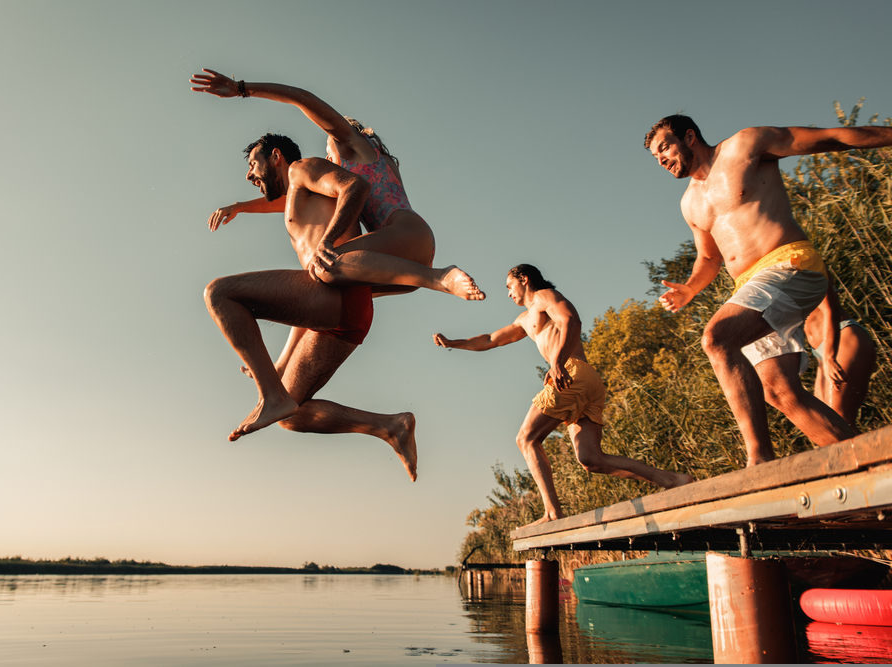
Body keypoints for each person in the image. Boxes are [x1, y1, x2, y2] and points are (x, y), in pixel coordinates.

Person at [646, 114, 892, 466]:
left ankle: (759, 458)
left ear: (689, 137)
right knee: (779, 391)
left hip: (788, 263)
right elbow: (708, 258)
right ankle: (868, 465)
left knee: (717, 338)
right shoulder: (690, 204)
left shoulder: (745, 146)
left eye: (665, 148)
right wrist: (689, 288)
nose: (662, 159)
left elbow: (833, 137)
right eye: (656, 157)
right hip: (752, 287)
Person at [204, 132, 417, 481]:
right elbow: (280, 201)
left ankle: (270, 391)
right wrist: (241, 207)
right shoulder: (300, 193)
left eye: (252, 164)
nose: (248, 175)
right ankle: (390, 426)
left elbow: (356, 186)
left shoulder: (304, 168)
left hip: (340, 294)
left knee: (219, 294)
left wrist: (329, 241)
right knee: (290, 416)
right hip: (346, 315)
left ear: (276, 156)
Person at [190, 68, 484, 300]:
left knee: (324, 264)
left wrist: (243, 89)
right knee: (320, 289)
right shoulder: (382, 162)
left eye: (329, 153)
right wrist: (241, 207)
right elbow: (292, 199)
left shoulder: (350, 145)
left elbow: (303, 98)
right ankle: (281, 366)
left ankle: (441, 278)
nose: (327, 158)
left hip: (406, 237)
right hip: (406, 252)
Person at [433, 265, 694, 527]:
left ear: (524, 279)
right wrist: (454, 343)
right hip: (586, 380)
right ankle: (672, 480)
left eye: (509, 286)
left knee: (526, 438)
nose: (508, 293)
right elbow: (490, 339)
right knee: (591, 459)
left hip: (571, 373)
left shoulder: (544, 296)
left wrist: (557, 362)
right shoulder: (525, 319)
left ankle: (552, 513)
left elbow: (572, 320)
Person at [803, 284, 877, 432]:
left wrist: (830, 357)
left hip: (841, 338)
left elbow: (831, 309)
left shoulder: (803, 264)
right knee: (826, 425)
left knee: (840, 420)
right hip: (820, 351)